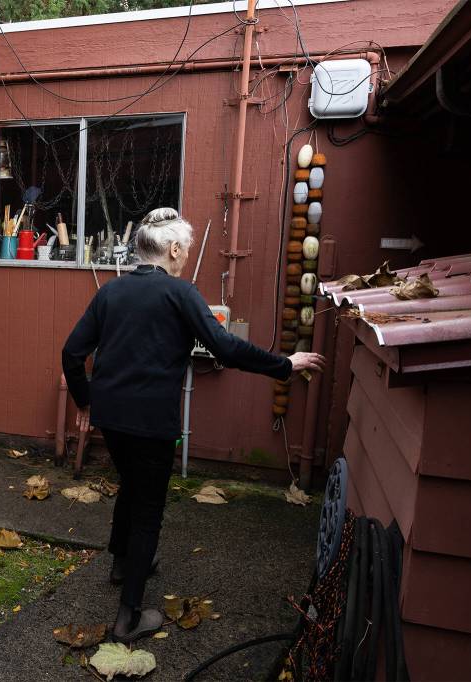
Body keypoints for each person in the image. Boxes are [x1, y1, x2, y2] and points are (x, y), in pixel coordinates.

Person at [61, 208, 325, 643]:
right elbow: (225, 346)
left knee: (131, 484)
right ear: (175, 249)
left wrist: (86, 402)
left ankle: (122, 564)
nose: (186, 256)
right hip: (151, 422)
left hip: (112, 416)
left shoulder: (110, 294)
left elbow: (72, 352)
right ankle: (127, 619)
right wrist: (284, 364)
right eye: (186, 249)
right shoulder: (181, 294)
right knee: (148, 510)